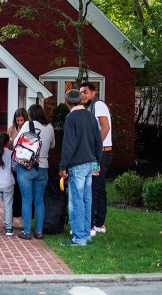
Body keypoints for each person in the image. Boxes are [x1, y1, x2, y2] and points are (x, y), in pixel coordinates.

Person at [59, 89, 103, 246]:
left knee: (77, 201)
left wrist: (63, 166)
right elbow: (98, 142)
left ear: (67, 102)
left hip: (76, 164)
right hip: (90, 163)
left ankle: (78, 238)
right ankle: (85, 234)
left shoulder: (71, 118)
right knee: (86, 199)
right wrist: (97, 163)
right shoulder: (91, 116)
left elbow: (69, 144)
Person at [13, 104, 55, 241]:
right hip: (43, 167)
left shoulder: (27, 125)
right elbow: (52, 145)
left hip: (26, 166)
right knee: (39, 201)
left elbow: (15, 143)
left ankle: (26, 231)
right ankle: (39, 231)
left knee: (27, 199)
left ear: (30, 114)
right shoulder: (49, 127)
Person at [80, 82, 112, 236]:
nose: (83, 95)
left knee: (94, 187)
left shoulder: (98, 105)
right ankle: (99, 223)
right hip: (101, 152)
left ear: (93, 93)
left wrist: (95, 149)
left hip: (102, 153)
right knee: (99, 188)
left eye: (86, 92)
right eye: (81, 93)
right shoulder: (92, 107)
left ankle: (92, 224)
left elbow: (105, 127)